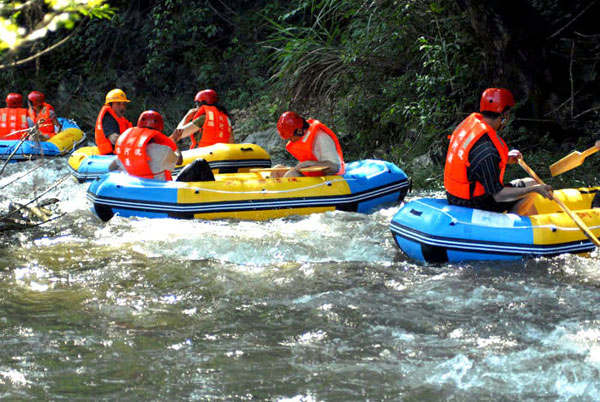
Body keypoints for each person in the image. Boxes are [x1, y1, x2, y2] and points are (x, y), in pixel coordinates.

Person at [444, 87, 551, 214]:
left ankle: (533, 220)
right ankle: (513, 227)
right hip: (471, 204)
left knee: (530, 186)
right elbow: (499, 195)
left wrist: (504, 158)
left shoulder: (471, 127)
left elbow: (473, 162)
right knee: (531, 186)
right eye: (509, 114)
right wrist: (534, 189)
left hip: (454, 195)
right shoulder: (488, 150)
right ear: (504, 115)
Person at [110, 110, 214, 182]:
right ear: (159, 130)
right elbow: (179, 160)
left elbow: (111, 167)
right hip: (162, 192)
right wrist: (175, 141)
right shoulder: (163, 151)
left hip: (137, 188)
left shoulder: (128, 150)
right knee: (200, 163)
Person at [272, 111, 345, 178]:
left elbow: (335, 167)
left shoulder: (321, 137)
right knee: (276, 169)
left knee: (291, 175)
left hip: (325, 180)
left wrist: (310, 163)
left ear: (299, 131)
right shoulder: (302, 137)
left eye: (291, 138)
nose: (290, 141)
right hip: (311, 176)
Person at [95, 88, 133, 155]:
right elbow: (114, 139)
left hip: (117, 155)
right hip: (109, 157)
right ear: (110, 105)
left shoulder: (121, 120)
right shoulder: (107, 118)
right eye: (118, 104)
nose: (122, 107)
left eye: (123, 104)